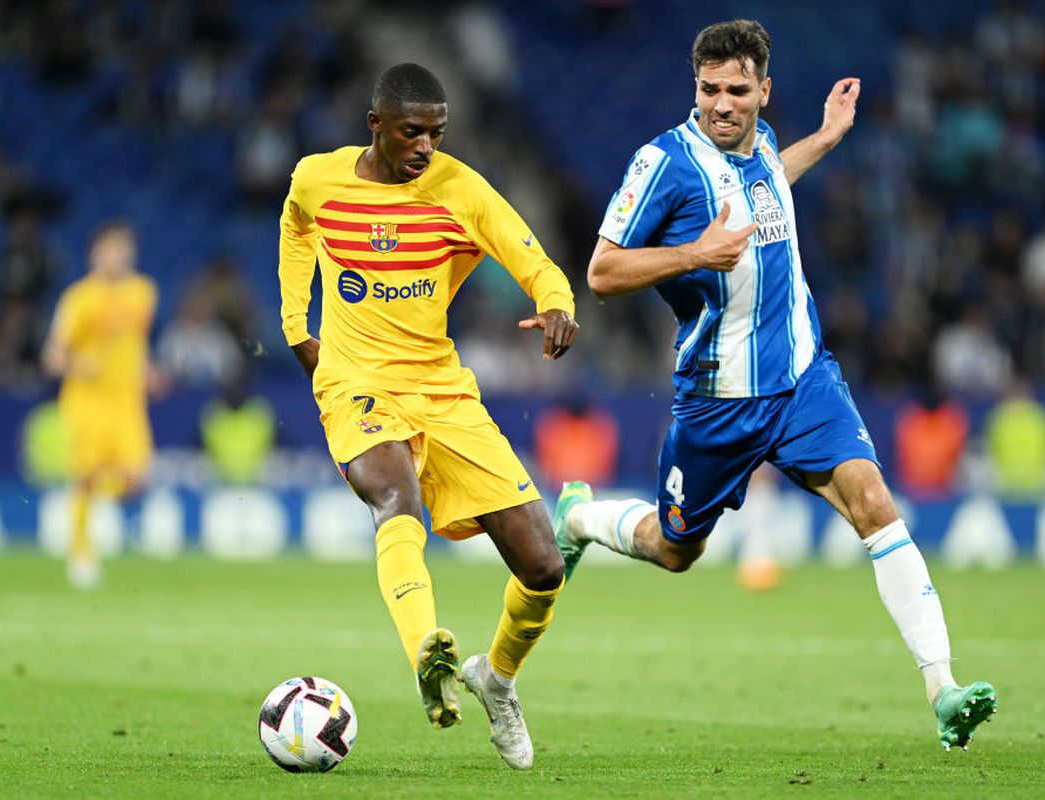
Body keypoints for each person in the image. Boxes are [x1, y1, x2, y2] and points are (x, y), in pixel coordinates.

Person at [552, 20, 996, 750]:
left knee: (875, 504)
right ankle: (578, 520)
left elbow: (767, 185)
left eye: (736, 90)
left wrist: (825, 136)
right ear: (694, 88)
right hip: (717, 402)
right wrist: (694, 252)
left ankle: (942, 687)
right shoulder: (663, 163)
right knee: (674, 550)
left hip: (803, 379)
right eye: (708, 90)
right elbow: (601, 272)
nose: (721, 104)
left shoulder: (760, 144)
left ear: (764, 91)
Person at [278, 63, 578, 770]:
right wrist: (297, 327)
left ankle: (496, 679)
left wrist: (559, 302)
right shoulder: (317, 179)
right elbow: (295, 229)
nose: (425, 146)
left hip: (442, 389)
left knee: (541, 566)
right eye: (412, 131)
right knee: (394, 495)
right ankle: (426, 648)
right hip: (355, 380)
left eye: (437, 133)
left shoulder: (459, 189)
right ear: (375, 124)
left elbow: (530, 256)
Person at [43, 221, 157, 589]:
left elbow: (134, 345)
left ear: (132, 255)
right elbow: (53, 357)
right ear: (94, 254)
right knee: (86, 477)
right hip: (87, 401)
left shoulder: (143, 294)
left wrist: (147, 373)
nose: (115, 257)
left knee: (137, 478)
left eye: (122, 250)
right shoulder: (77, 299)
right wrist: (80, 364)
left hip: (127, 402)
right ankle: (80, 551)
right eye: (109, 249)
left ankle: (97, 527)